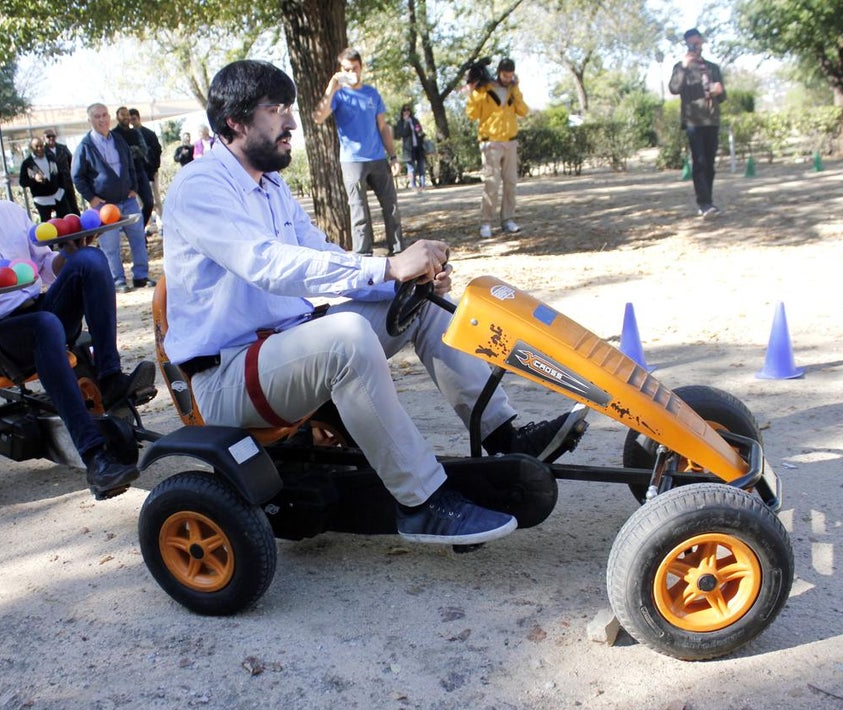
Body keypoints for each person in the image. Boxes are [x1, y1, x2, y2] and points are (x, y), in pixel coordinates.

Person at [162, 60, 581, 546]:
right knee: (347, 338)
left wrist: (406, 279)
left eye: (290, 109)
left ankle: (505, 437)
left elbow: (322, 257)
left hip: (283, 351)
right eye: (276, 110)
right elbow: (267, 265)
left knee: (419, 303)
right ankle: (422, 502)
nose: (292, 123)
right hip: (226, 378)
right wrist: (387, 267)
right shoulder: (200, 186)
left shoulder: (270, 185)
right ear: (235, 121)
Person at [0, 145, 141, 497]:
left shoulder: (10, 213)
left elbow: (47, 268)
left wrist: (71, 255)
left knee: (92, 261)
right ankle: (95, 459)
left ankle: (109, 377)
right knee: (44, 325)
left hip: (39, 310)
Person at [312, 48, 404, 256]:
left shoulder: (372, 93)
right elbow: (318, 117)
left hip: (378, 158)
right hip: (352, 161)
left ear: (360, 67)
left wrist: (393, 156)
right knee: (359, 211)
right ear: (340, 70)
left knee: (391, 208)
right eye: (346, 69)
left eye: (354, 68)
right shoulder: (338, 95)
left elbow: (383, 127)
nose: (351, 72)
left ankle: (398, 252)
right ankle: (364, 256)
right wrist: (331, 88)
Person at [71, 103, 154, 292]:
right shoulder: (85, 146)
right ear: (89, 120)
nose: (102, 120)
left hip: (128, 200)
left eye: (104, 115)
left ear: (110, 117)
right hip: (104, 206)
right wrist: (91, 198)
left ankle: (141, 276)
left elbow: (130, 164)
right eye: (97, 116)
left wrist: (133, 186)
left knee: (138, 237)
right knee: (110, 245)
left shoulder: (118, 139)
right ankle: (118, 280)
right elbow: (77, 176)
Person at [465, 58, 528, 239]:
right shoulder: (484, 90)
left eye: (511, 75)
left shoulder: (512, 90)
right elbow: (471, 114)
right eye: (505, 75)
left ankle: (508, 219)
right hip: (490, 142)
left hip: (510, 141)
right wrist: (475, 91)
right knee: (491, 183)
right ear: (499, 72)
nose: (508, 78)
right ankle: (486, 222)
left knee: (511, 183)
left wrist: (515, 89)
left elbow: (523, 111)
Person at [669, 28, 727, 217]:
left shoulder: (713, 68)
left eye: (697, 42)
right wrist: (684, 67)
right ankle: (704, 203)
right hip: (694, 120)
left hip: (712, 119)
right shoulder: (680, 66)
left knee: (709, 163)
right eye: (691, 43)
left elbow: (723, 96)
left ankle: (708, 201)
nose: (695, 46)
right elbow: (674, 88)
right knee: (699, 161)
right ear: (687, 44)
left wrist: (720, 91)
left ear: (702, 42)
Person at [114, 106, 156, 229]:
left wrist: (130, 150)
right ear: (117, 117)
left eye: (127, 115)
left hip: (139, 170)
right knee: (131, 207)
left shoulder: (135, 132)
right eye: (123, 115)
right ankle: (136, 234)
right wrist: (133, 150)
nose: (126, 117)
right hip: (124, 175)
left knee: (149, 202)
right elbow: (119, 154)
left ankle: (140, 228)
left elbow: (143, 151)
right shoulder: (114, 135)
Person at [18, 137, 75, 221]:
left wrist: (62, 188)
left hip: (58, 195)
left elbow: (59, 173)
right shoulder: (27, 163)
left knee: (67, 219)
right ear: (31, 148)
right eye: (36, 146)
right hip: (42, 200)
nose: (39, 148)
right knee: (47, 224)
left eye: (41, 146)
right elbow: (22, 182)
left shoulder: (50, 157)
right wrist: (34, 179)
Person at [129, 108, 164, 224]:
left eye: (134, 119)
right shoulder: (131, 135)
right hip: (139, 172)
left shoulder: (149, 134)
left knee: (156, 197)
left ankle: (161, 222)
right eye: (130, 120)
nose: (132, 122)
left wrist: (155, 167)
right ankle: (146, 225)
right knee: (142, 201)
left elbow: (157, 150)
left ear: (138, 118)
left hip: (151, 170)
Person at [44, 129, 81, 215]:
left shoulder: (63, 148)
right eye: (48, 136)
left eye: (53, 136)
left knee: (73, 207)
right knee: (61, 210)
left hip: (67, 182)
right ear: (44, 138)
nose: (51, 138)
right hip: (54, 185)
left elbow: (72, 162)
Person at [394, 104, 428, 191]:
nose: (406, 112)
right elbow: (401, 134)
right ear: (402, 112)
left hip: (418, 147)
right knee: (411, 168)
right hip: (408, 149)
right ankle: (413, 186)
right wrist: (405, 122)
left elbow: (419, 131)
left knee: (421, 167)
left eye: (408, 110)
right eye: (404, 110)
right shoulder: (400, 123)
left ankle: (423, 185)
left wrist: (420, 133)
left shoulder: (415, 120)